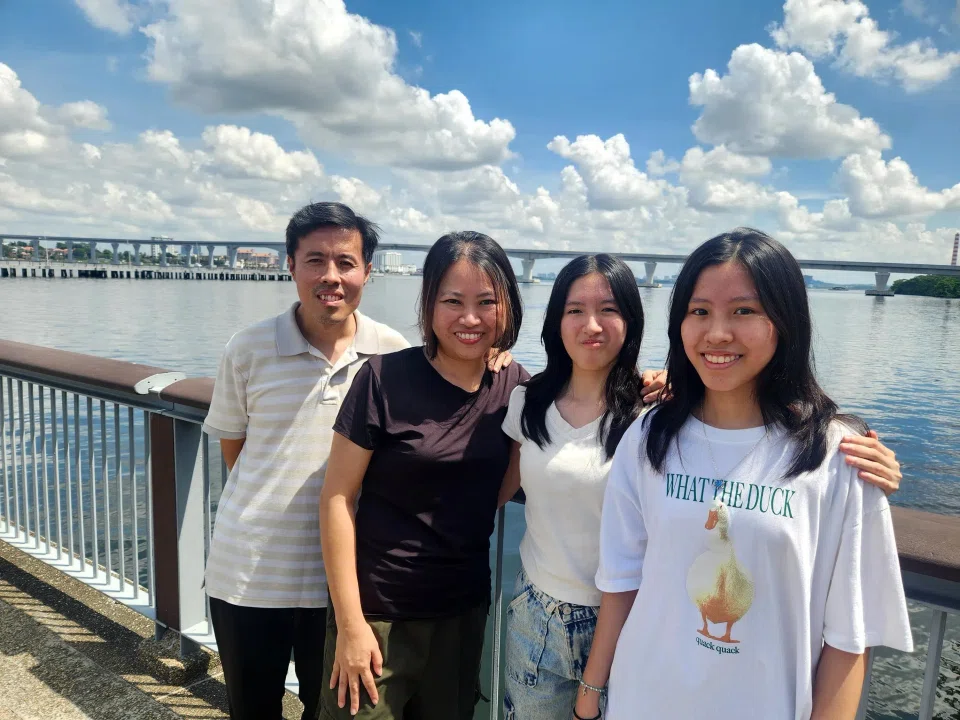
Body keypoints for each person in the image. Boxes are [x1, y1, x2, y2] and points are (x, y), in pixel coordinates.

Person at [495, 253, 906, 720]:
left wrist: (853, 464)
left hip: (625, 635)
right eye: (700, 311)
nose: (717, 332)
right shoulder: (612, 424)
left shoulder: (648, 417)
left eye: (744, 310)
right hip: (549, 615)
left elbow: (850, 635)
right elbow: (508, 485)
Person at [201, 204, 513, 719]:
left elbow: (443, 391)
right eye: (315, 260)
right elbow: (234, 448)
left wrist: (491, 355)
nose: (331, 277)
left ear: (367, 270)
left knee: (324, 709)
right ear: (290, 265)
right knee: (251, 708)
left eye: (345, 262)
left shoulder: (389, 352)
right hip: (254, 573)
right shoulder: (248, 348)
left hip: (351, 585)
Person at [319, 231, 529, 720]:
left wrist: (655, 383)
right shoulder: (383, 379)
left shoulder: (515, 386)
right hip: (378, 615)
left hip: (461, 612)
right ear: (429, 304)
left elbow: (581, 404)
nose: (470, 318)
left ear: (507, 308)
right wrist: (350, 623)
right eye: (452, 301)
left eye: (486, 302)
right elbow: (336, 498)